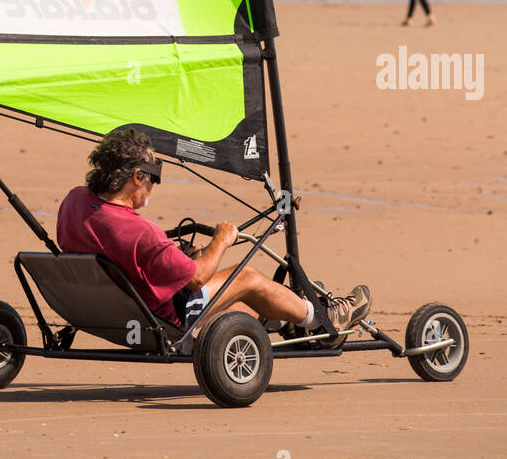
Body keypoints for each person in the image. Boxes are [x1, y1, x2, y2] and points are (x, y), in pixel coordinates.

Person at [57, 127, 372, 344]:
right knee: (245, 276)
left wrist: (174, 256)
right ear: (138, 176)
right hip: (164, 320)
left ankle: (288, 318)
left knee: (243, 300)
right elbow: (195, 280)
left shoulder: (75, 201)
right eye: (153, 177)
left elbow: (122, 250)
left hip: (109, 311)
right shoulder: (141, 231)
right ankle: (322, 319)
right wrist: (220, 240)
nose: (154, 185)